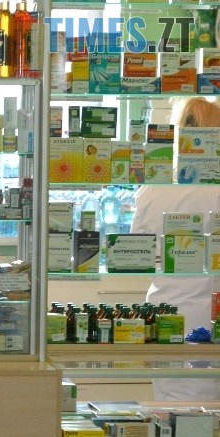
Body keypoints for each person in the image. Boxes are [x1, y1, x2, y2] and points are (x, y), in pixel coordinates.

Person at [131, 97, 220, 401]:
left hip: (166, 313)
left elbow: (137, 253)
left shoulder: (152, 189)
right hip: (210, 313)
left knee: (173, 406)